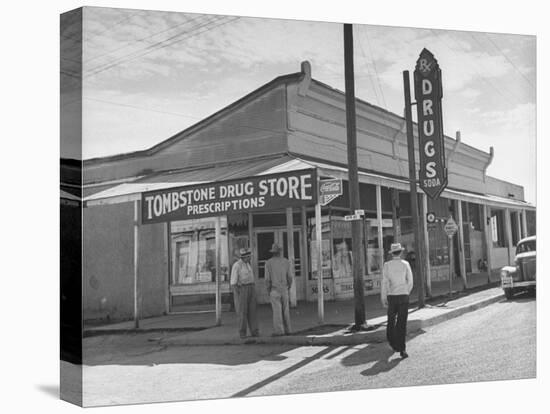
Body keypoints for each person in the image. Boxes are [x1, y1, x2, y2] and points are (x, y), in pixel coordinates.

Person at [381, 242, 414, 359]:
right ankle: (402, 349)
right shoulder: (405, 264)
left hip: (392, 296)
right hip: (403, 295)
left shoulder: (387, 265)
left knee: (391, 320)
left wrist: (383, 297)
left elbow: (385, 282)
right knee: (402, 322)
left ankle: (393, 343)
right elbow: (410, 281)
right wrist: (406, 291)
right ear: (400, 252)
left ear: (391, 253)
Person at [230, 248, 259, 339]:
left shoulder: (248, 264)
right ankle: (242, 332)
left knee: (252, 310)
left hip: (251, 287)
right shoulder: (237, 265)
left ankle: (254, 331)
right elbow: (233, 282)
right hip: (241, 288)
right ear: (244, 257)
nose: (249, 258)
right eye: (248, 256)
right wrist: (237, 294)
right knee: (242, 312)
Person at [265, 243, 292, 336]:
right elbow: (290, 277)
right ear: (280, 252)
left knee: (277, 312)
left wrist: (268, 290)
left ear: (273, 252)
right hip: (284, 288)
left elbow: (267, 279)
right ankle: (288, 329)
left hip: (274, 289)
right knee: (286, 310)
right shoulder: (286, 262)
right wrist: (289, 286)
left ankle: (279, 331)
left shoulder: (268, 263)